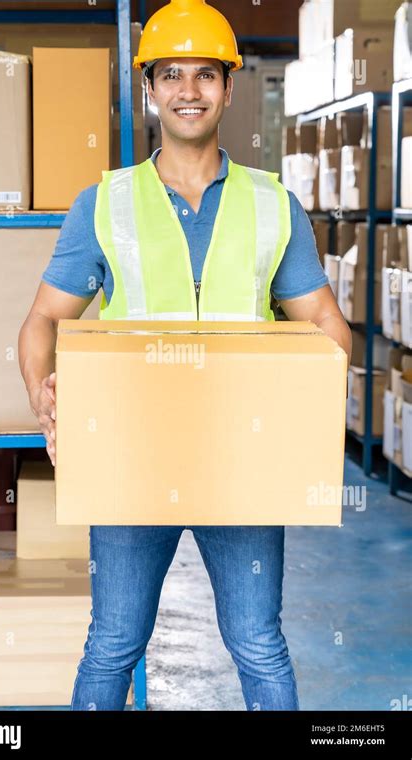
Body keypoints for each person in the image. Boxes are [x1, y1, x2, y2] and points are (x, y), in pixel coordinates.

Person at [18, 0, 352, 711]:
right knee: (112, 643)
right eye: (172, 74)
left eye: (205, 74)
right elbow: (43, 321)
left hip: (243, 463)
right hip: (133, 462)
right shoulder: (103, 204)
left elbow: (325, 322)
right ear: (150, 90)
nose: (189, 90)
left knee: (259, 644)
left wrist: (306, 408)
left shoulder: (273, 205)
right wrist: (45, 398)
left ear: (229, 88)